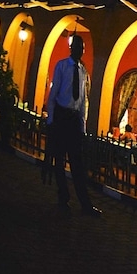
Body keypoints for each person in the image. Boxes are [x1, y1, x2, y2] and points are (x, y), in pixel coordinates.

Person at [46, 34, 101, 217]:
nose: (80, 51)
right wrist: (51, 119)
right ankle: (63, 198)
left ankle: (85, 204)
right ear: (72, 48)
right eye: (77, 47)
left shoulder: (83, 71)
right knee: (59, 160)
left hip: (74, 119)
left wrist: (82, 126)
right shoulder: (62, 66)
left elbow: (83, 100)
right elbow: (54, 94)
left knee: (77, 164)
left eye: (82, 48)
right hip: (61, 117)